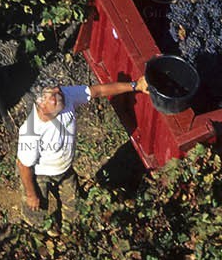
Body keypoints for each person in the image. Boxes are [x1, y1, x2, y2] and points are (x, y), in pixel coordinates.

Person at [16, 78, 147, 227]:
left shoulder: (65, 96)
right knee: (35, 211)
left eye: (59, 90)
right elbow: (23, 166)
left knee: (74, 208)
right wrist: (31, 195)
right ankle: (35, 229)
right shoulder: (31, 131)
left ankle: (69, 231)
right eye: (53, 96)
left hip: (64, 169)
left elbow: (99, 91)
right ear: (41, 104)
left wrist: (136, 85)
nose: (60, 96)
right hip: (40, 174)